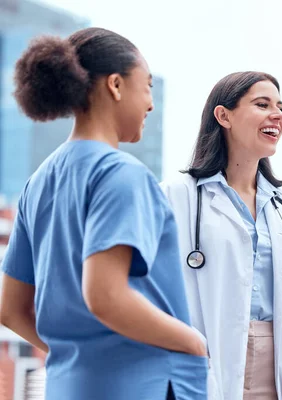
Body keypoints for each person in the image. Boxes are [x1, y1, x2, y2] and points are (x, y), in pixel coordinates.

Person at [0, 27, 208, 400]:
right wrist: (192, 342)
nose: (150, 103)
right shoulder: (121, 174)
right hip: (144, 384)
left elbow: (11, 310)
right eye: (146, 86)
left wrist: (73, 352)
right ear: (115, 85)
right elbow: (106, 296)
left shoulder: (38, 183)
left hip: (70, 386)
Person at [160, 71, 282, 399]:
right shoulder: (177, 197)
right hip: (206, 365)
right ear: (223, 116)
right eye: (262, 104)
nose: (277, 115)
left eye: (281, 107)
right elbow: (151, 290)